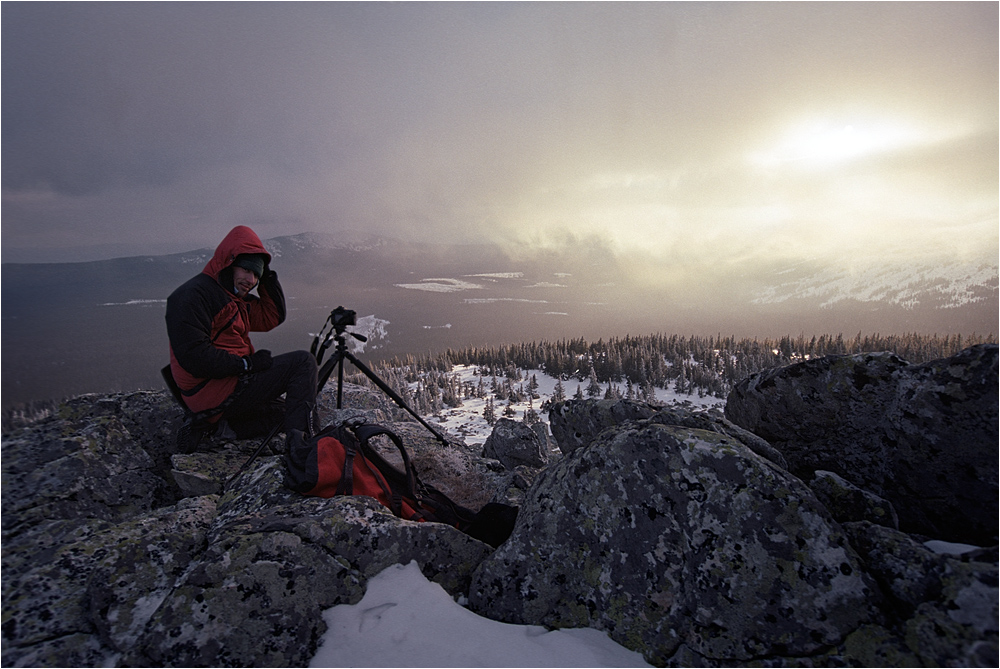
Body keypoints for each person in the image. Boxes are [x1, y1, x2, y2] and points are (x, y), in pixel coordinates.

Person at [165, 225, 317, 450]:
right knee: (303, 363)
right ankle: (302, 452)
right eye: (246, 270)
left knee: (293, 412)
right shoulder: (194, 296)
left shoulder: (233, 299)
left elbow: (270, 316)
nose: (250, 279)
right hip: (211, 390)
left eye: (256, 274)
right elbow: (194, 357)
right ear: (229, 262)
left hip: (225, 385)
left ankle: (220, 429)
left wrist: (266, 275)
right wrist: (246, 364)